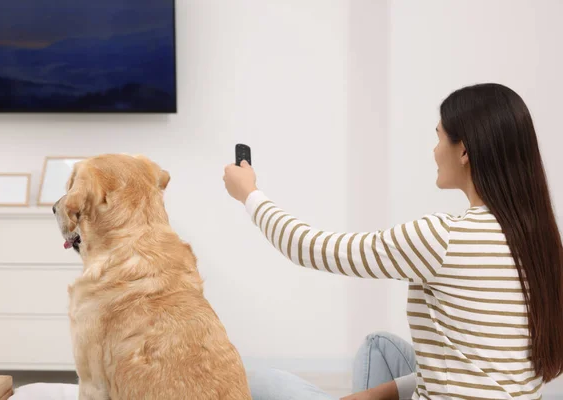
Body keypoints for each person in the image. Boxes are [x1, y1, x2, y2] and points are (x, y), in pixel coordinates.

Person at [225, 83, 563, 399]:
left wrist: (249, 194)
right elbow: (487, 367)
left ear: (464, 151)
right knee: (380, 347)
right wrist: (375, 395)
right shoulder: (538, 242)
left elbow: (308, 247)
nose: (434, 151)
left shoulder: (443, 238)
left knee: (259, 383)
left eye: (438, 137)